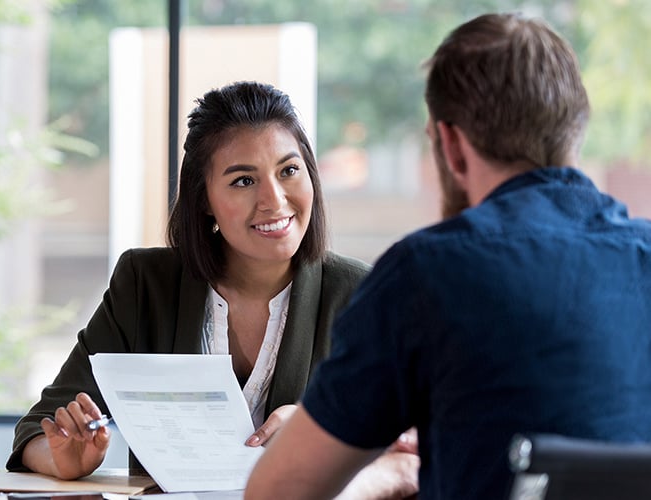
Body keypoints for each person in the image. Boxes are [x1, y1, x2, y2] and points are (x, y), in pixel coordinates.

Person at [245, 12, 651, 500]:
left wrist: (387, 473)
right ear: (576, 131)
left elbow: (278, 492)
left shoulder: (428, 274)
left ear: (452, 146)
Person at [6, 81, 418, 497]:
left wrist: (322, 432)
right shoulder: (145, 284)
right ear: (204, 199)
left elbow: (413, 445)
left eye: (289, 171)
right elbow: (37, 428)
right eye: (243, 181)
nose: (274, 201)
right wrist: (62, 458)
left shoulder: (362, 293)